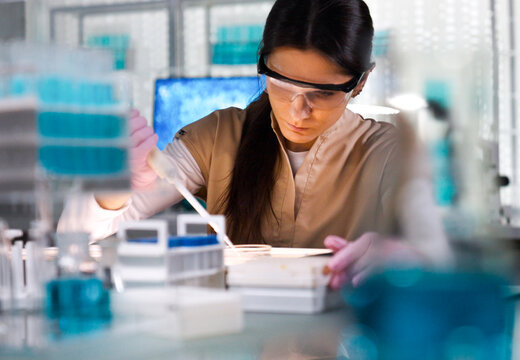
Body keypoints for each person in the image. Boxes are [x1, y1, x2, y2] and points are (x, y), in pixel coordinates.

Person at [58, 0, 447, 288]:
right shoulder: (218, 136)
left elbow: (439, 253)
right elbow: (74, 238)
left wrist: (400, 254)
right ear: (262, 64)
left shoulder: (389, 153)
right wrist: (112, 188)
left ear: (360, 82)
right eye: (281, 84)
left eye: (323, 93)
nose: (298, 110)